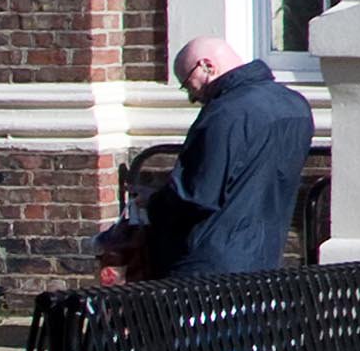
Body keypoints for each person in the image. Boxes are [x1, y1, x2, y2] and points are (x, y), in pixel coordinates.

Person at [114, 29, 314, 285]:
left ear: (206, 66)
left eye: (188, 84)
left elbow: (197, 195)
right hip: (264, 256)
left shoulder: (225, 113)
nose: (193, 97)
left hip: (208, 265)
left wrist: (153, 202)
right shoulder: (294, 105)